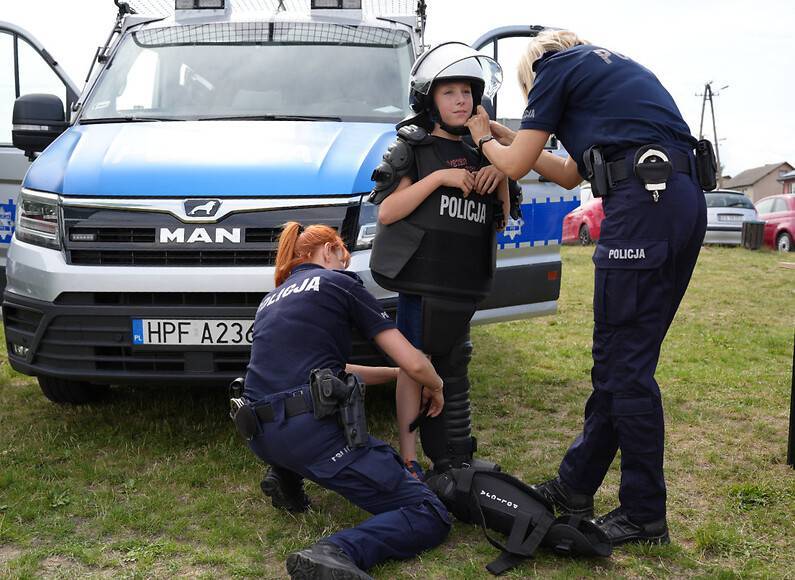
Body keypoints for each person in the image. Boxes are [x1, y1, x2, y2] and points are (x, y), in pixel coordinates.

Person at [465, 30, 708, 545]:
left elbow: (510, 167)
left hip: (643, 204)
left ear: (534, 71)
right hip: (679, 199)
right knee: (624, 360)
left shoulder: (553, 69)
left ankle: (644, 514)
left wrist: (482, 133)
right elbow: (570, 173)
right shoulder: (609, 71)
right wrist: (511, 135)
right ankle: (576, 485)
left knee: (624, 366)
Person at [240, 222, 450, 579]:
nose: (346, 266)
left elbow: (329, 370)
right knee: (429, 512)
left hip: (260, 434)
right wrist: (434, 382)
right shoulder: (339, 284)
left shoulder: (272, 298)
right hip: (310, 436)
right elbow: (413, 359)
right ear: (328, 251)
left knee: (293, 414)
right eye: (343, 258)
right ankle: (335, 551)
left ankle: (287, 480)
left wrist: (397, 376)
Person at [369, 42, 509, 477]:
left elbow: (500, 220)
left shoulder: (483, 149)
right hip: (422, 283)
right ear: (430, 97)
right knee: (415, 364)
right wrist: (442, 178)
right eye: (449, 92)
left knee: (455, 365)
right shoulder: (414, 147)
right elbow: (388, 211)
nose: (461, 99)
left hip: (461, 283)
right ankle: (409, 459)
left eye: (467, 91)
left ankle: (454, 456)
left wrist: (499, 173)